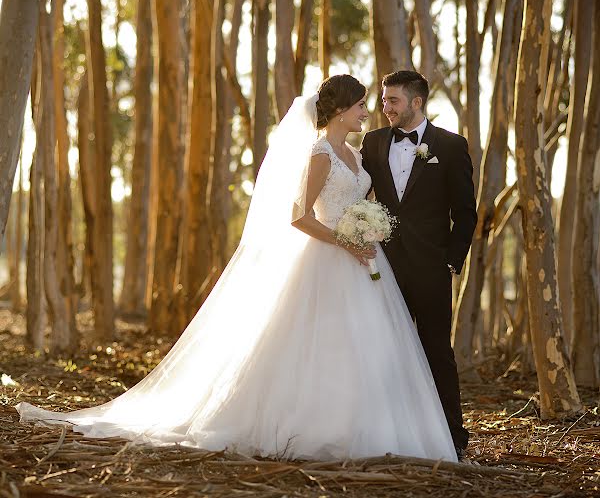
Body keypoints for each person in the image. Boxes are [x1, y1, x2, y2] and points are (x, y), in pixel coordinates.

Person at [17, 74, 457, 462]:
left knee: (369, 346)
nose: (368, 111)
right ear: (341, 110)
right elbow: (299, 216)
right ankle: (312, 426)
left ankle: (369, 425)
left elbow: (363, 201)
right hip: (327, 260)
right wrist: (344, 239)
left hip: (364, 262)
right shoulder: (320, 153)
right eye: (362, 104)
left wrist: (365, 232)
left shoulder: (359, 156)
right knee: (317, 342)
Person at [361, 70, 477, 459]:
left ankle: (452, 437)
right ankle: (391, 435)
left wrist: (450, 261)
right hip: (383, 267)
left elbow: (465, 213)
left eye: (392, 100)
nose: (384, 107)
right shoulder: (373, 142)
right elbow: (359, 195)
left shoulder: (451, 145)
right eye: (383, 99)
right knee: (386, 349)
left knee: (436, 351)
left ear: (416, 102)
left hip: (431, 267)